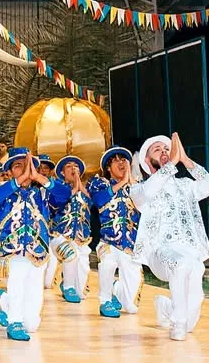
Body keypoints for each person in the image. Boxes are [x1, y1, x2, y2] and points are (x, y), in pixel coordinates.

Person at [131, 133, 209, 341]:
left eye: (167, 148)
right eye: (157, 150)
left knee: (195, 270)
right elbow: (148, 192)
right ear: (147, 161)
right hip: (160, 253)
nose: (164, 152)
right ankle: (178, 322)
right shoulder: (139, 188)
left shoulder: (186, 185)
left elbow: (207, 185)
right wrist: (172, 162)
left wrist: (185, 160)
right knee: (181, 264)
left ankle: (165, 307)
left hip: (190, 251)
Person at [0, 148, 52, 342]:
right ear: (9, 171)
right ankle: (13, 321)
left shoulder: (43, 193)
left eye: (29, 165)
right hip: (13, 250)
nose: (25, 170)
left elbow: (63, 194)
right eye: (19, 166)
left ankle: (3, 300)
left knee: (32, 325)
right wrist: (18, 181)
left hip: (38, 251)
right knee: (16, 280)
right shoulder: (3, 191)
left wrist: (39, 178)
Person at [87, 146, 141, 319]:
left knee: (131, 307)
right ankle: (105, 300)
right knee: (108, 262)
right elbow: (99, 200)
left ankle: (117, 290)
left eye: (124, 159)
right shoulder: (100, 183)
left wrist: (131, 182)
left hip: (131, 245)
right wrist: (122, 182)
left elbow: (146, 205)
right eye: (115, 160)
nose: (121, 162)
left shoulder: (136, 186)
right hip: (108, 241)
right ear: (108, 168)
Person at [44, 155, 92, 305]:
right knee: (70, 254)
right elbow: (54, 204)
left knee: (82, 293)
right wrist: (72, 190)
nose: (73, 169)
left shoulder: (87, 190)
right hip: (59, 236)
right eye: (69, 166)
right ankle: (68, 286)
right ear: (63, 172)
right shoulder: (58, 188)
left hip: (81, 239)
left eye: (76, 166)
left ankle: (69, 284)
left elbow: (97, 202)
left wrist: (79, 187)